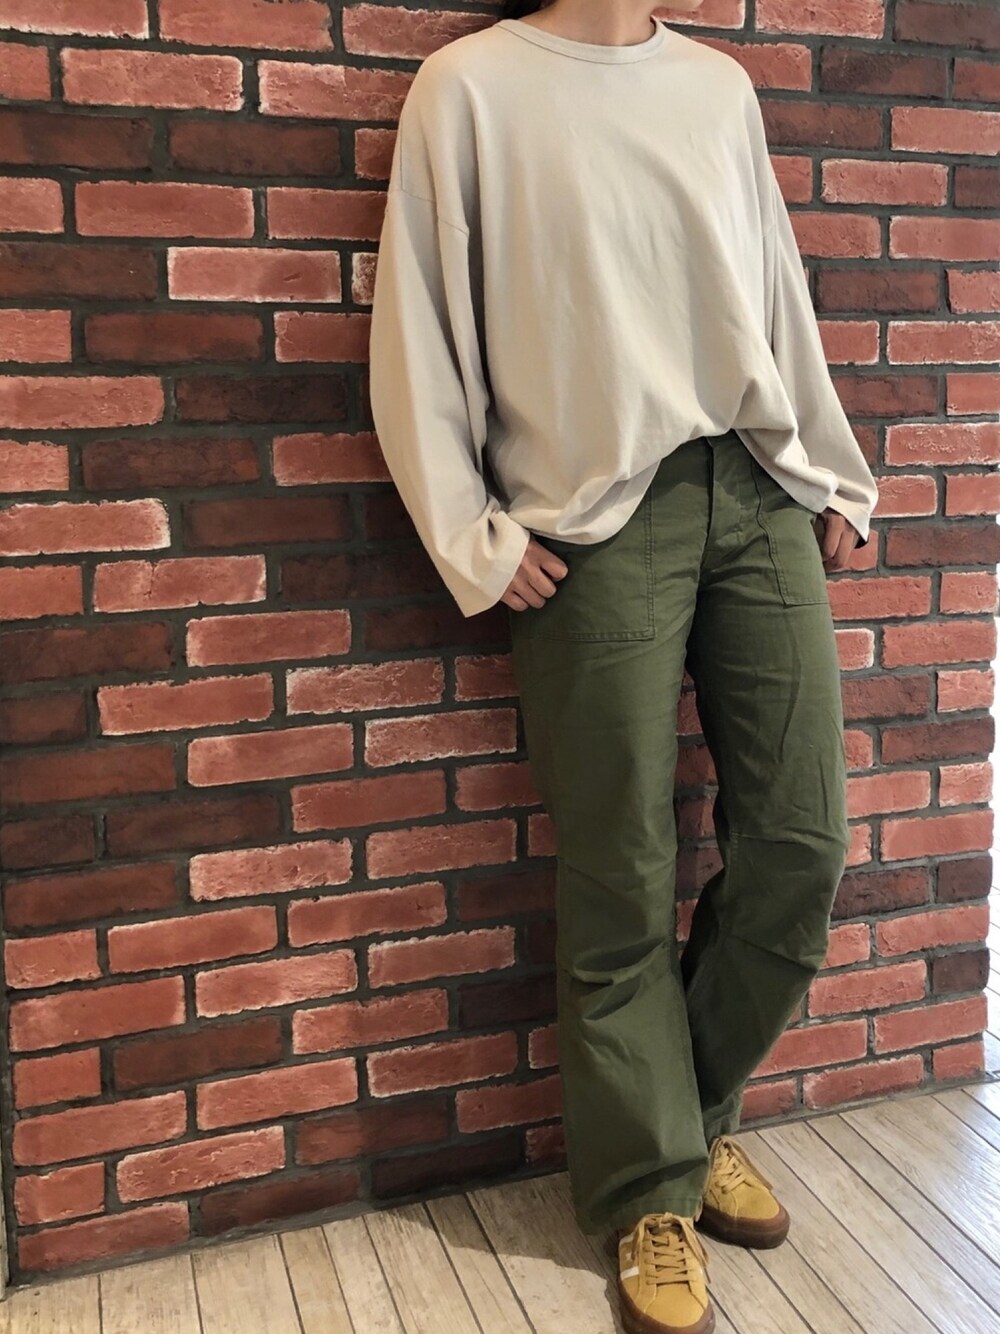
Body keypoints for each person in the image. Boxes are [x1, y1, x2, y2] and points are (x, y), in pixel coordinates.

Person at [368, 2, 879, 1330]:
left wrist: (833, 469)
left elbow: (775, 290)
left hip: (756, 486)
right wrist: (471, 535)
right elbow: (416, 324)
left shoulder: (717, 88)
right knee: (621, 871)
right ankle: (651, 1188)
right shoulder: (469, 90)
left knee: (803, 844)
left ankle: (680, 1122)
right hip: (595, 520)